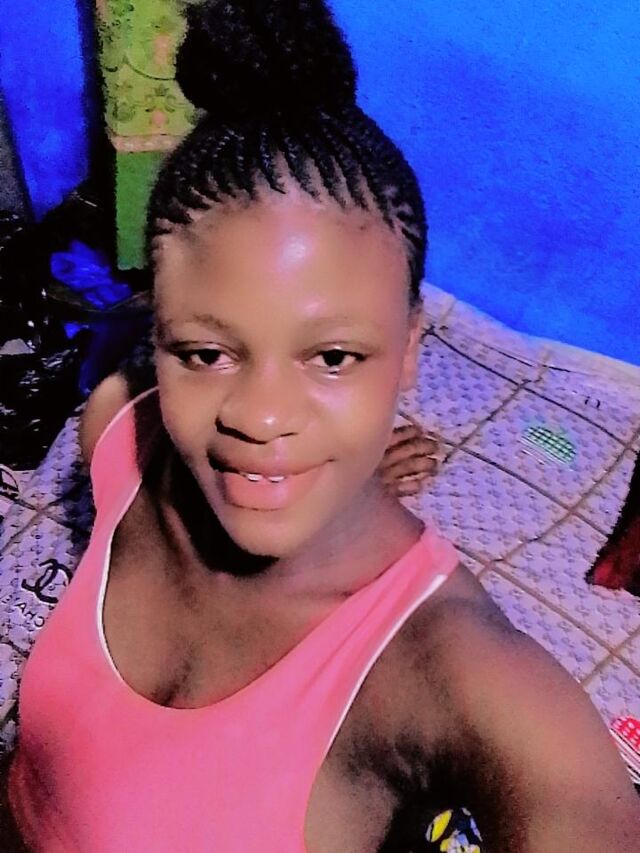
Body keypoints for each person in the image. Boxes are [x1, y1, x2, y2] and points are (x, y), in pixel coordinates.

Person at [3, 1, 639, 850]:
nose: (260, 418)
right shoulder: (118, 433)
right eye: (205, 352)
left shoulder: (454, 673)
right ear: (156, 334)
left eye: (334, 357)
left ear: (409, 351)